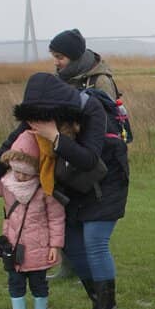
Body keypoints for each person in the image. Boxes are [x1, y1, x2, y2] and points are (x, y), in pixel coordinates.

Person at [0, 72, 130, 309]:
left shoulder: (92, 110)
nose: (33, 121)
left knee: (95, 242)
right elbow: (4, 151)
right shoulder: (38, 114)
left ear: (54, 107)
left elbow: (89, 159)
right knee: (72, 244)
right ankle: (97, 307)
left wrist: (55, 137)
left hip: (108, 183)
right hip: (74, 186)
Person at [47, 28, 121, 281]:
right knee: (63, 213)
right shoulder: (60, 78)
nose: (56, 62)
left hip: (94, 158)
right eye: (54, 57)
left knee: (91, 223)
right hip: (63, 152)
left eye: (60, 57)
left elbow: (105, 124)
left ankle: (91, 273)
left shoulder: (100, 81)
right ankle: (70, 267)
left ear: (75, 57)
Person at [0, 131, 65, 309]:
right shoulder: (6, 184)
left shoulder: (45, 189)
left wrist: (55, 245)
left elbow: (56, 218)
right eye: (17, 171)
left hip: (39, 247)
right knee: (15, 283)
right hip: (13, 247)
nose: (20, 177)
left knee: (39, 284)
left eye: (25, 173)